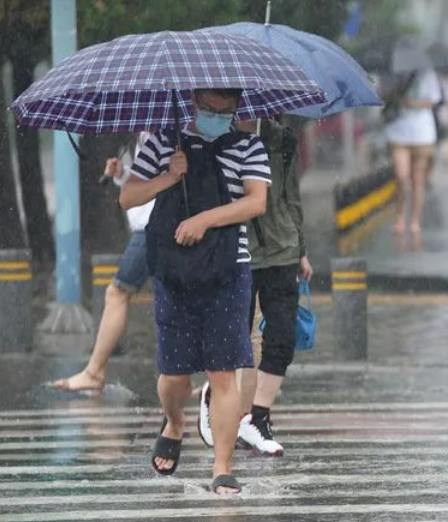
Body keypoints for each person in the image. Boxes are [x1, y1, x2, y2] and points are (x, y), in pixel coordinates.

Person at [119, 88, 270, 495]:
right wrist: (169, 176)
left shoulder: (248, 145)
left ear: (237, 107)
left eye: (225, 110)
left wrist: (205, 219)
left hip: (227, 270)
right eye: (208, 109)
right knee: (174, 376)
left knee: (222, 372)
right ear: (193, 102)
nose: (217, 116)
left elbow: (256, 202)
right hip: (173, 271)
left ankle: (222, 466)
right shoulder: (163, 141)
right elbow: (128, 195)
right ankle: (174, 421)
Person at [198, 117, 312, 457]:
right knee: (236, 340)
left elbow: (292, 198)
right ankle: (215, 395)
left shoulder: (282, 139)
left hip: (282, 250)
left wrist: (301, 249)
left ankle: (258, 418)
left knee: (282, 339)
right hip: (238, 252)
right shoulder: (213, 139)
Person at [53, 134, 152, 392]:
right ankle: (211, 378)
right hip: (150, 228)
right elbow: (149, 179)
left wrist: (127, 178)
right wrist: (122, 174)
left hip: (153, 229)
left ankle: (95, 370)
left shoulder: (165, 133)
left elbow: (158, 183)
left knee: (118, 292)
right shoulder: (146, 134)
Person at [384, 68, 442, 236]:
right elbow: (382, 95)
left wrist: (414, 104)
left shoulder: (427, 74)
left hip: (422, 133)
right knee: (401, 177)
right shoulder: (393, 72)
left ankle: (415, 220)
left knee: (418, 179)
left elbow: (435, 99)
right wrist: (395, 95)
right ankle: (401, 215)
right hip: (398, 131)